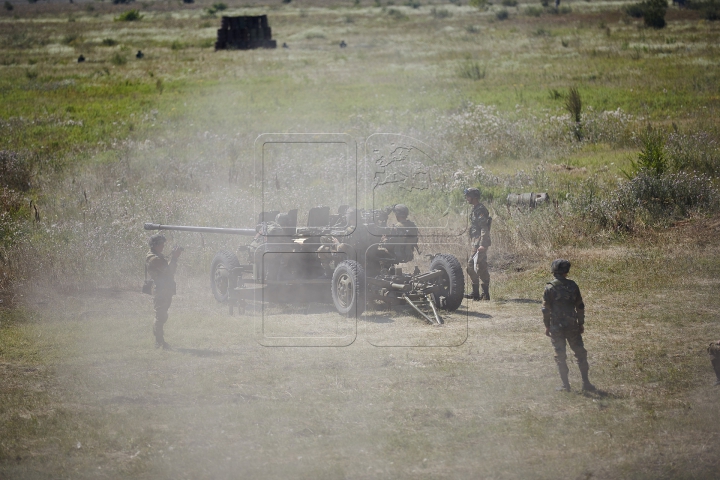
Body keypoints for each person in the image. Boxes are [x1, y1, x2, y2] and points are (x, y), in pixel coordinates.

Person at [542, 259, 596, 392]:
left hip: (556, 326)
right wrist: (581, 323)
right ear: (566, 271)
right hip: (572, 325)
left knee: (560, 356)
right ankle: (586, 383)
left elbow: (545, 309)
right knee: (580, 353)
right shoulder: (573, 286)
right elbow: (580, 306)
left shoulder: (549, 288)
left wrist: (547, 325)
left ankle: (566, 385)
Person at [146, 234, 183, 349]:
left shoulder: (157, 256)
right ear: (155, 245)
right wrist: (175, 257)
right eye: (161, 243)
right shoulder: (153, 258)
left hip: (165, 289)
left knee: (163, 315)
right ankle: (159, 342)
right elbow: (169, 271)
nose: (163, 246)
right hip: (161, 290)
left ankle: (160, 341)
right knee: (160, 316)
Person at [463, 187, 491, 301]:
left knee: (470, 266)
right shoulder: (476, 208)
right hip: (476, 242)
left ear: (474, 197)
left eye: (468, 196)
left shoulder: (480, 209)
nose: (467, 198)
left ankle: (476, 293)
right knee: (482, 266)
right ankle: (484, 294)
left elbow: (484, 228)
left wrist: (482, 244)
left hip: (479, 243)